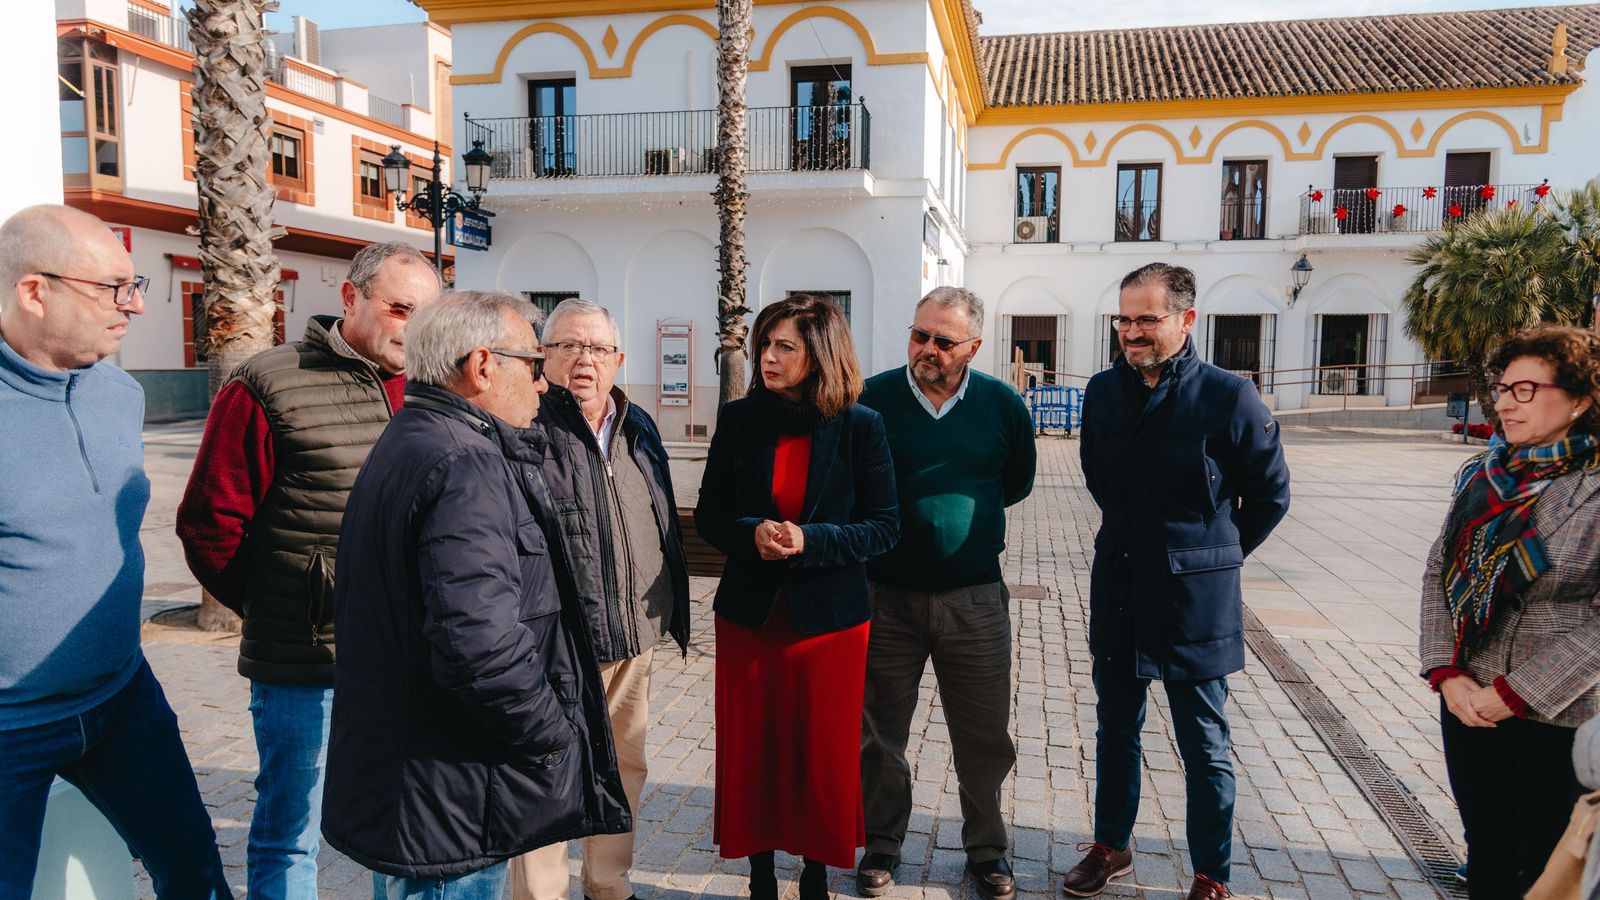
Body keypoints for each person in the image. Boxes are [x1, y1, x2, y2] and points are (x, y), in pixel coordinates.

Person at [321, 291, 630, 898]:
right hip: (452, 786)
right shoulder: (465, 461)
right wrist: (554, 732)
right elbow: (479, 643)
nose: (545, 386)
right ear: (483, 365)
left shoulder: (417, 435)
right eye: (536, 366)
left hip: (424, 778)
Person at [175, 241, 442, 899]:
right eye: (401, 309)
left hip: (410, 660)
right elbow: (209, 523)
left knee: (405, 829)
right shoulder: (267, 381)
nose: (415, 328)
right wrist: (291, 601)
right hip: (305, 664)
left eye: (428, 314)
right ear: (350, 298)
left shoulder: (434, 386)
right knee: (290, 827)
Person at [0, 204, 229, 897]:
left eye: (135, 287)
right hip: (10, 726)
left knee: (196, 875)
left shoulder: (119, 392)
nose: (131, 306)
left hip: (123, 698)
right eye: (110, 289)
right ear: (34, 291)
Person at [1070, 263, 1289, 900]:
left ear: (1186, 320)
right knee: (1115, 730)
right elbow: (1097, 478)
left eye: (1147, 319)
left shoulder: (1229, 396)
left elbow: (1270, 494)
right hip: (1120, 588)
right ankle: (1110, 847)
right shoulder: (1102, 393)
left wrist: (1215, 555)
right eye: (1125, 318)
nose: (1132, 331)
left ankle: (1211, 875)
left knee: (1205, 743)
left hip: (1196, 600)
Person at [695, 294, 900, 900]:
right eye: (765, 343)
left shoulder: (862, 425)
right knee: (754, 748)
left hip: (830, 624)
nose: (769, 356)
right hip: (750, 618)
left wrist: (812, 540)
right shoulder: (739, 419)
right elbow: (711, 516)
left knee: (820, 754)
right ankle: (760, 873)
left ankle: (814, 872)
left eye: (786, 346)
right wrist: (749, 534)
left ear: (821, 354)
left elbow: (885, 526)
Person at [856, 286, 1037, 900]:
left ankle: (987, 850)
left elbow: (1014, 484)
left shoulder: (1004, 405)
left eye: (943, 340)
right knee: (880, 734)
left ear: (974, 347)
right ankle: (882, 841)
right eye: (918, 335)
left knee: (984, 735)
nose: (926, 349)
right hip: (887, 598)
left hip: (976, 599)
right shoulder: (872, 399)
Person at [513, 298, 691, 900]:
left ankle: (608, 885)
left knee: (623, 769)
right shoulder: (525, 425)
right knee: (545, 775)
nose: (583, 359)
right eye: (568, 345)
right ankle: (539, 895)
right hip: (550, 643)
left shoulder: (636, 422)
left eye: (597, 349)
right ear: (543, 354)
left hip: (630, 634)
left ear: (619, 360)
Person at [1420, 325, 1600, 900]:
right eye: (1502, 388)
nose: (1503, 403)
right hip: (1470, 705)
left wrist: (1516, 693)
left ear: (1580, 397)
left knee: (1548, 865)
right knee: (1488, 853)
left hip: (1562, 714)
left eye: (1525, 389)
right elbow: (1438, 574)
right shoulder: (1485, 475)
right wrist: (1448, 674)